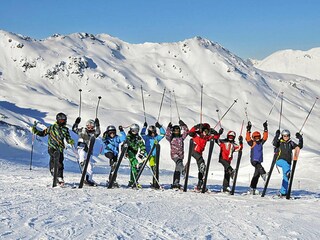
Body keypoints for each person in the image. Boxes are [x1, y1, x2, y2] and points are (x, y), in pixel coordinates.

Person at [32, 112, 74, 185]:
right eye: (61, 120)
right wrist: (35, 130)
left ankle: (60, 177)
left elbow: (68, 137)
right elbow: (42, 133)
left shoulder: (65, 129)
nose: (62, 122)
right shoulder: (51, 128)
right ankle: (53, 170)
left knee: (60, 161)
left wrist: (70, 141)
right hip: (51, 146)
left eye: (64, 120)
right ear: (57, 120)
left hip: (60, 148)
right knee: (54, 157)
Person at [188, 123, 222, 190]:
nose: (205, 133)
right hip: (194, 150)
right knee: (201, 162)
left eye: (207, 131)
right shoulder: (196, 134)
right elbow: (190, 133)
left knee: (202, 168)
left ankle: (200, 183)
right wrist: (196, 126)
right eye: (204, 131)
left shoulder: (207, 137)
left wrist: (217, 133)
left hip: (199, 153)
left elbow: (215, 137)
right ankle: (200, 175)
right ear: (202, 130)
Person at [273, 129, 303, 197]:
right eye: (284, 136)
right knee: (286, 169)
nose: (286, 137)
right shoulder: (280, 142)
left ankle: (283, 192)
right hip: (279, 160)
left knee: (286, 177)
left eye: (287, 136)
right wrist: (276, 135)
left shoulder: (291, 143)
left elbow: (299, 147)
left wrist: (300, 138)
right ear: (282, 136)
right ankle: (288, 172)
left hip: (288, 162)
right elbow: (274, 143)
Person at [72, 117, 101, 186]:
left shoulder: (94, 133)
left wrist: (98, 125)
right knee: (82, 153)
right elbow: (74, 129)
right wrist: (76, 123)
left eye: (92, 127)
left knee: (90, 166)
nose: (90, 128)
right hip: (81, 147)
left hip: (89, 151)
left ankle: (88, 179)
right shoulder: (82, 130)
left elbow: (98, 132)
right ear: (86, 126)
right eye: (88, 126)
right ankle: (82, 161)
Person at [245, 121, 268, 195]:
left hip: (259, 160)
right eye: (256, 137)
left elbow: (265, 137)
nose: (257, 139)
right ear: (253, 138)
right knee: (259, 167)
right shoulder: (252, 143)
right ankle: (264, 174)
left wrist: (265, 129)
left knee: (256, 175)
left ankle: (252, 188)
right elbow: (247, 138)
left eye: (258, 137)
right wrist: (248, 130)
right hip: (254, 161)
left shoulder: (261, 142)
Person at [141, 121, 165, 187]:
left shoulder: (157, 138)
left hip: (156, 154)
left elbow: (163, 134)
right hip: (149, 154)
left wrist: (160, 127)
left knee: (156, 168)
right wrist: (144, 127)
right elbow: (142, 133)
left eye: (154, 132)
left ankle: (155, 181)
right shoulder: (146, 138)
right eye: (151, 133)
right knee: (152, 164)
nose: (153, 134)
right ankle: (153, 168)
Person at [165, 119, 189, 189]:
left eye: (178, 130)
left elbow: (186, 132)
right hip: (174, 155)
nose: (177, 132)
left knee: (177, 169)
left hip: (181, 155)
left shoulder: (181, 137)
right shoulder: (171, 138)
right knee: (179, 164)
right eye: (175, 130)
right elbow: (167, 135)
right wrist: (169, 128)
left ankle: (176, 183)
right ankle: (184, 171)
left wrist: (183, 125)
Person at [126, 124, 146, 188]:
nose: (135, 132)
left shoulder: (138, 137)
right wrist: (126, 151)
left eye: (136, 130)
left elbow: (141, 144)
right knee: (134, 164)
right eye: (133, 130)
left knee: (133, 167)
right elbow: (126, 143)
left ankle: (132, 181)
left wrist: (142, 151)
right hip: (130, 152)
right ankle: (134, 181)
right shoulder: (129, 137)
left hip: (135, 153)